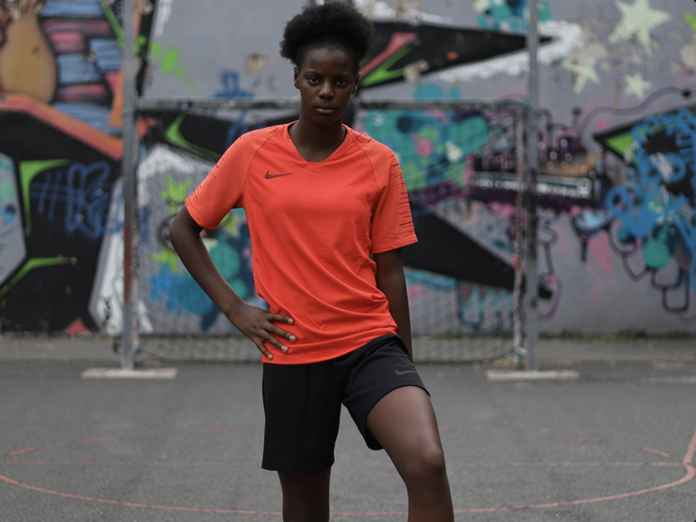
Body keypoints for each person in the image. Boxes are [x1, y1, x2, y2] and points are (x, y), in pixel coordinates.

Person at [169, 3, 454, 521]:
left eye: (340, 81)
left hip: (370, 342)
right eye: (315, 79)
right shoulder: (253, 152)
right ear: (297, 79)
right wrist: (236, 309)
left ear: (355, 84)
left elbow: (389, 269)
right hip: (293, 350)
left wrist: (406, 362)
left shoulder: (379, 161)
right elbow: (183, 227)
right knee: (304, 508)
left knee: (428, 464)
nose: (327, 91)